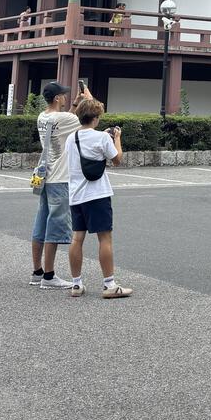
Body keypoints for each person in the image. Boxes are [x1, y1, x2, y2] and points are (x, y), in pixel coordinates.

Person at [65, 98, 133, 300]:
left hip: (76, 195)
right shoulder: (102, 138)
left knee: (77, 238)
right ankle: (109, 284)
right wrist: (116, 138)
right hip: (97, 195)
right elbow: (117, 159)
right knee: (104, 238)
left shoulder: (71, 138)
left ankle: (76, 284)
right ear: (95, 118)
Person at [30, 81, 82, 289]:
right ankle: (49, 276)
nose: (66, 98)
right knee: (55, 224)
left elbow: (64, 122)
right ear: (58, 98)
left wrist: (75, 104)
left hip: (45, 175)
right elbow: (88, 119)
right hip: (60, 178)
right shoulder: (64, 118)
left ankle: (37, 272)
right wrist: (86, 99)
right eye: (64, 95)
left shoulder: (43, 117)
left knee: (41, 222)